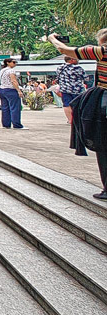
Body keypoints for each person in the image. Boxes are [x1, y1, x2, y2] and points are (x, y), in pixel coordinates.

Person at [48, 31, 107, 199]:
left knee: (103, 145)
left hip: (104, 103)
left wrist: (52, 38)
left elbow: (63, 49)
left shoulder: (101, 52)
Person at [56, 55, 86, 124]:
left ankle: (70, 120)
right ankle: (77, 120)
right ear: (72, 59)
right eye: (76, 59)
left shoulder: (60, 68)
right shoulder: (77, 68)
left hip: (64, 89)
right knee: (77, 105)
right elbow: (85, 77)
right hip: (76, 89)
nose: (78, 60)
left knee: (66, 104)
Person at [0, 58, 24, 129]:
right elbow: (13, 81)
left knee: (5, 108)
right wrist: (19, 90)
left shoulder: (2, 70)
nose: (15, 63)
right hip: (11, 90)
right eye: (13, 62)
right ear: (8, 63)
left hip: (2, 89)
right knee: (15, 108)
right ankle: (17, 124)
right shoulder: (11, 71)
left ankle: (6, 124)